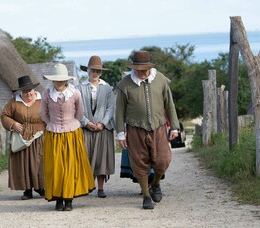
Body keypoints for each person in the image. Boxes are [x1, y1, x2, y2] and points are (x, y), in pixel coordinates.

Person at [115, 50, 180, 209]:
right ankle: (146, 195)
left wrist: (175, 126)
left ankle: (156, 183)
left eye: (144, 70)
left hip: (158, 127)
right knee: (139, 163)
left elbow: (169, 104)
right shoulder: (125, 84)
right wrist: (120, 134)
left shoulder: (161, 80)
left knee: (163, 160)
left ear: (150, 68)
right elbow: (119, 111)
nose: (141, 73)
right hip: (135, 128)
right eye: (138, 70)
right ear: (134, 68)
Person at [40, 63, 95, 211]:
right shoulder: (46, 94)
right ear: (52, 80)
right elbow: (43, 114)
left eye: (62, 80)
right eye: (57, 80)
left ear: (66, 80)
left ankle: (69, 199)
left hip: (72, 134)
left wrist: (71, 124)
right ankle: (58, 199)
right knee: (56, 167)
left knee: (71, 166)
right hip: (54, 134)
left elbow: (79, 113)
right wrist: (52, 124)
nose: (59, 82)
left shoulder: (75, 93)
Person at [1, 75, 46, 200]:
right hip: (21, 138)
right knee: (23, 163)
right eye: (25, 92)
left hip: (39, 136)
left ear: (34, 90)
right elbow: (4, 115)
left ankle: (40, 187)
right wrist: (13, 124)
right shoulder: (14, 102)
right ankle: (27, 190)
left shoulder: (42, 101)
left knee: (39, 162)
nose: (28, 94)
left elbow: (49, 115)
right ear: (21, 91)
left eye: (30, 91)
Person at [77, 55, 115, 198]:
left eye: (98, 71)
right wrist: (86, 122)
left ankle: (100, 188)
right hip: (85, 128)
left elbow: (111, 108)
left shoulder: (107, 88)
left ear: (101, 73)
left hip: (103, 129)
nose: (95, 74)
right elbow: (77, 109)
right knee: (86, 157)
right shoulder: (79, 88)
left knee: (101, 159)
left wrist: (102, 123)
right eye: (93, 70)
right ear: (88, 71)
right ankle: (87, 185)